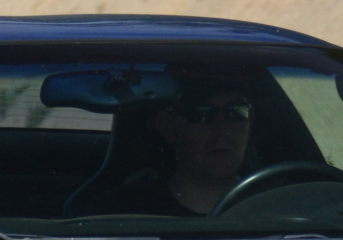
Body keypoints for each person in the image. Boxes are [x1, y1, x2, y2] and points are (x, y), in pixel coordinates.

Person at [96, 81, 257, 216]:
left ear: (250, 124)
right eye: (202, 115)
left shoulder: (273, 207)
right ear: (167, 126)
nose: (222, 131)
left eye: (236, 113)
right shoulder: (122, 214)